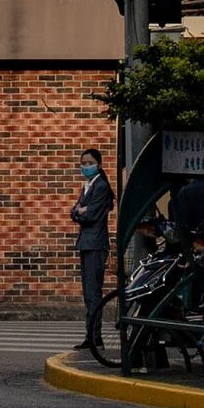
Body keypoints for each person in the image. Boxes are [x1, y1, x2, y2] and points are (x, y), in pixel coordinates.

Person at [73, 143, 115, 362]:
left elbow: (90, 216)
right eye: (83, 163)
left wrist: (82, 211)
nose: (86, 167)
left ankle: (94, 336)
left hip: (95, 243)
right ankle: (92, 335)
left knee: (93, 291)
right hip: (86, 242)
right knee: (88, 293)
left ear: (98, 165)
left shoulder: (100, 187)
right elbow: (75, 211)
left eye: (89, 163)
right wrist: (80, 211)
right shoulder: (87, 186)